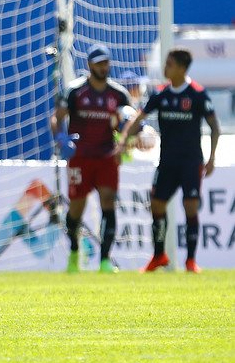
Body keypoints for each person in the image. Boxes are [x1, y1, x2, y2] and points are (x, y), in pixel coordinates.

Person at [117, 48, 220, 273]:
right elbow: (138, 119)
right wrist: (125, 139)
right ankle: (159, 255)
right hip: (167, 162)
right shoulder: (161, 94)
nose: (165, 68)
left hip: (191, 162)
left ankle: (191, 261)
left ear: (182, 68)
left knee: (190, 206)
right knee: (156, 205)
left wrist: (212, 158)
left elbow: (214, 127)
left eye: (170, 64)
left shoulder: (197, 94)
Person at [50, 44, 134, 274]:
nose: (103, 67)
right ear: (89, 65)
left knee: (108, 201)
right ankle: (75, 252)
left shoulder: (118, 94)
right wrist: (61, 138)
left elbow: (131, 123)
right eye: (99, 63)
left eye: (106, 62)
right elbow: (56, 118)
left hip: (106, 156)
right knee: (76, 208)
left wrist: (126, 141)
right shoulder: (75, 91)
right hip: (80, 157)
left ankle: (105, 260)